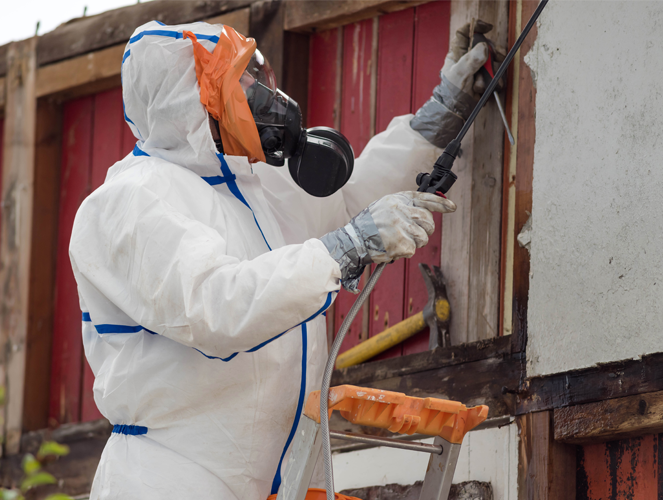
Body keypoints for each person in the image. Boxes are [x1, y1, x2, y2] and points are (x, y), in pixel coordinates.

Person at [69, 19, 492, 500]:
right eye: (240, 80)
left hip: (282, 479)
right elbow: (215, 306)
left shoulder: (256, 185)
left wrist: (442, 114)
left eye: (255, 74)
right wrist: (348, 245)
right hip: (171, 480)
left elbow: (352, 204)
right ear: (188, 100)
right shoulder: (130, 201)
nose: (260, 91)